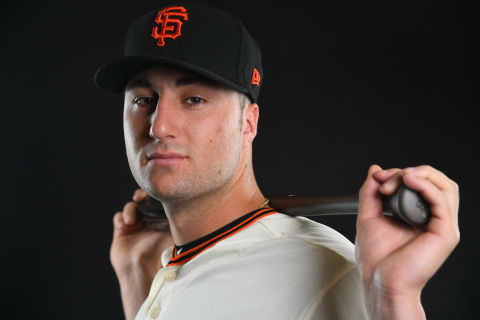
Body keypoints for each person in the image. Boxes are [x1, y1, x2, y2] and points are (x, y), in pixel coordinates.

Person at [94, 3, 460, 320]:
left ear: (248, 123)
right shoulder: (167, 267)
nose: (159, 125)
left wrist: (394, 299)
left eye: (194, 100)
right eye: (144, 99)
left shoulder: (328, 274)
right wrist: (136, 282)